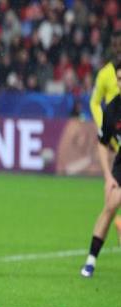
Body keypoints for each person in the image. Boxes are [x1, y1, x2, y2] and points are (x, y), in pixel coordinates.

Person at [81, 62, 121, 278]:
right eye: (119, 79)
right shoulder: (112, 109)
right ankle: (90, 260)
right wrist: (108, 177)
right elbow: (103, 143)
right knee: (110, 205)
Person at [88, 30, 121, 250]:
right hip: (113, 129)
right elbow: (94, 102)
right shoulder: (105, 74)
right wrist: (104, 126)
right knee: (111, 190)